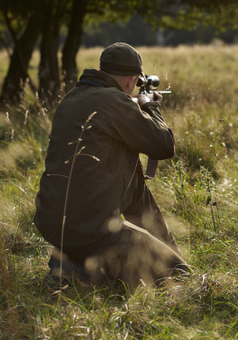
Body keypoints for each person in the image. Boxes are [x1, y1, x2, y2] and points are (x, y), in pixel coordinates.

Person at [34, 42, 189, 290]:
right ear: (131, 81)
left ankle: (70, 261)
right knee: (180, 276)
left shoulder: (72, 97)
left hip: (52, 221)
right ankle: (81, 268)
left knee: (137, 187)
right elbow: (163, 146)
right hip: (92, 227)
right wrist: (151, 107)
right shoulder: (115, 101)